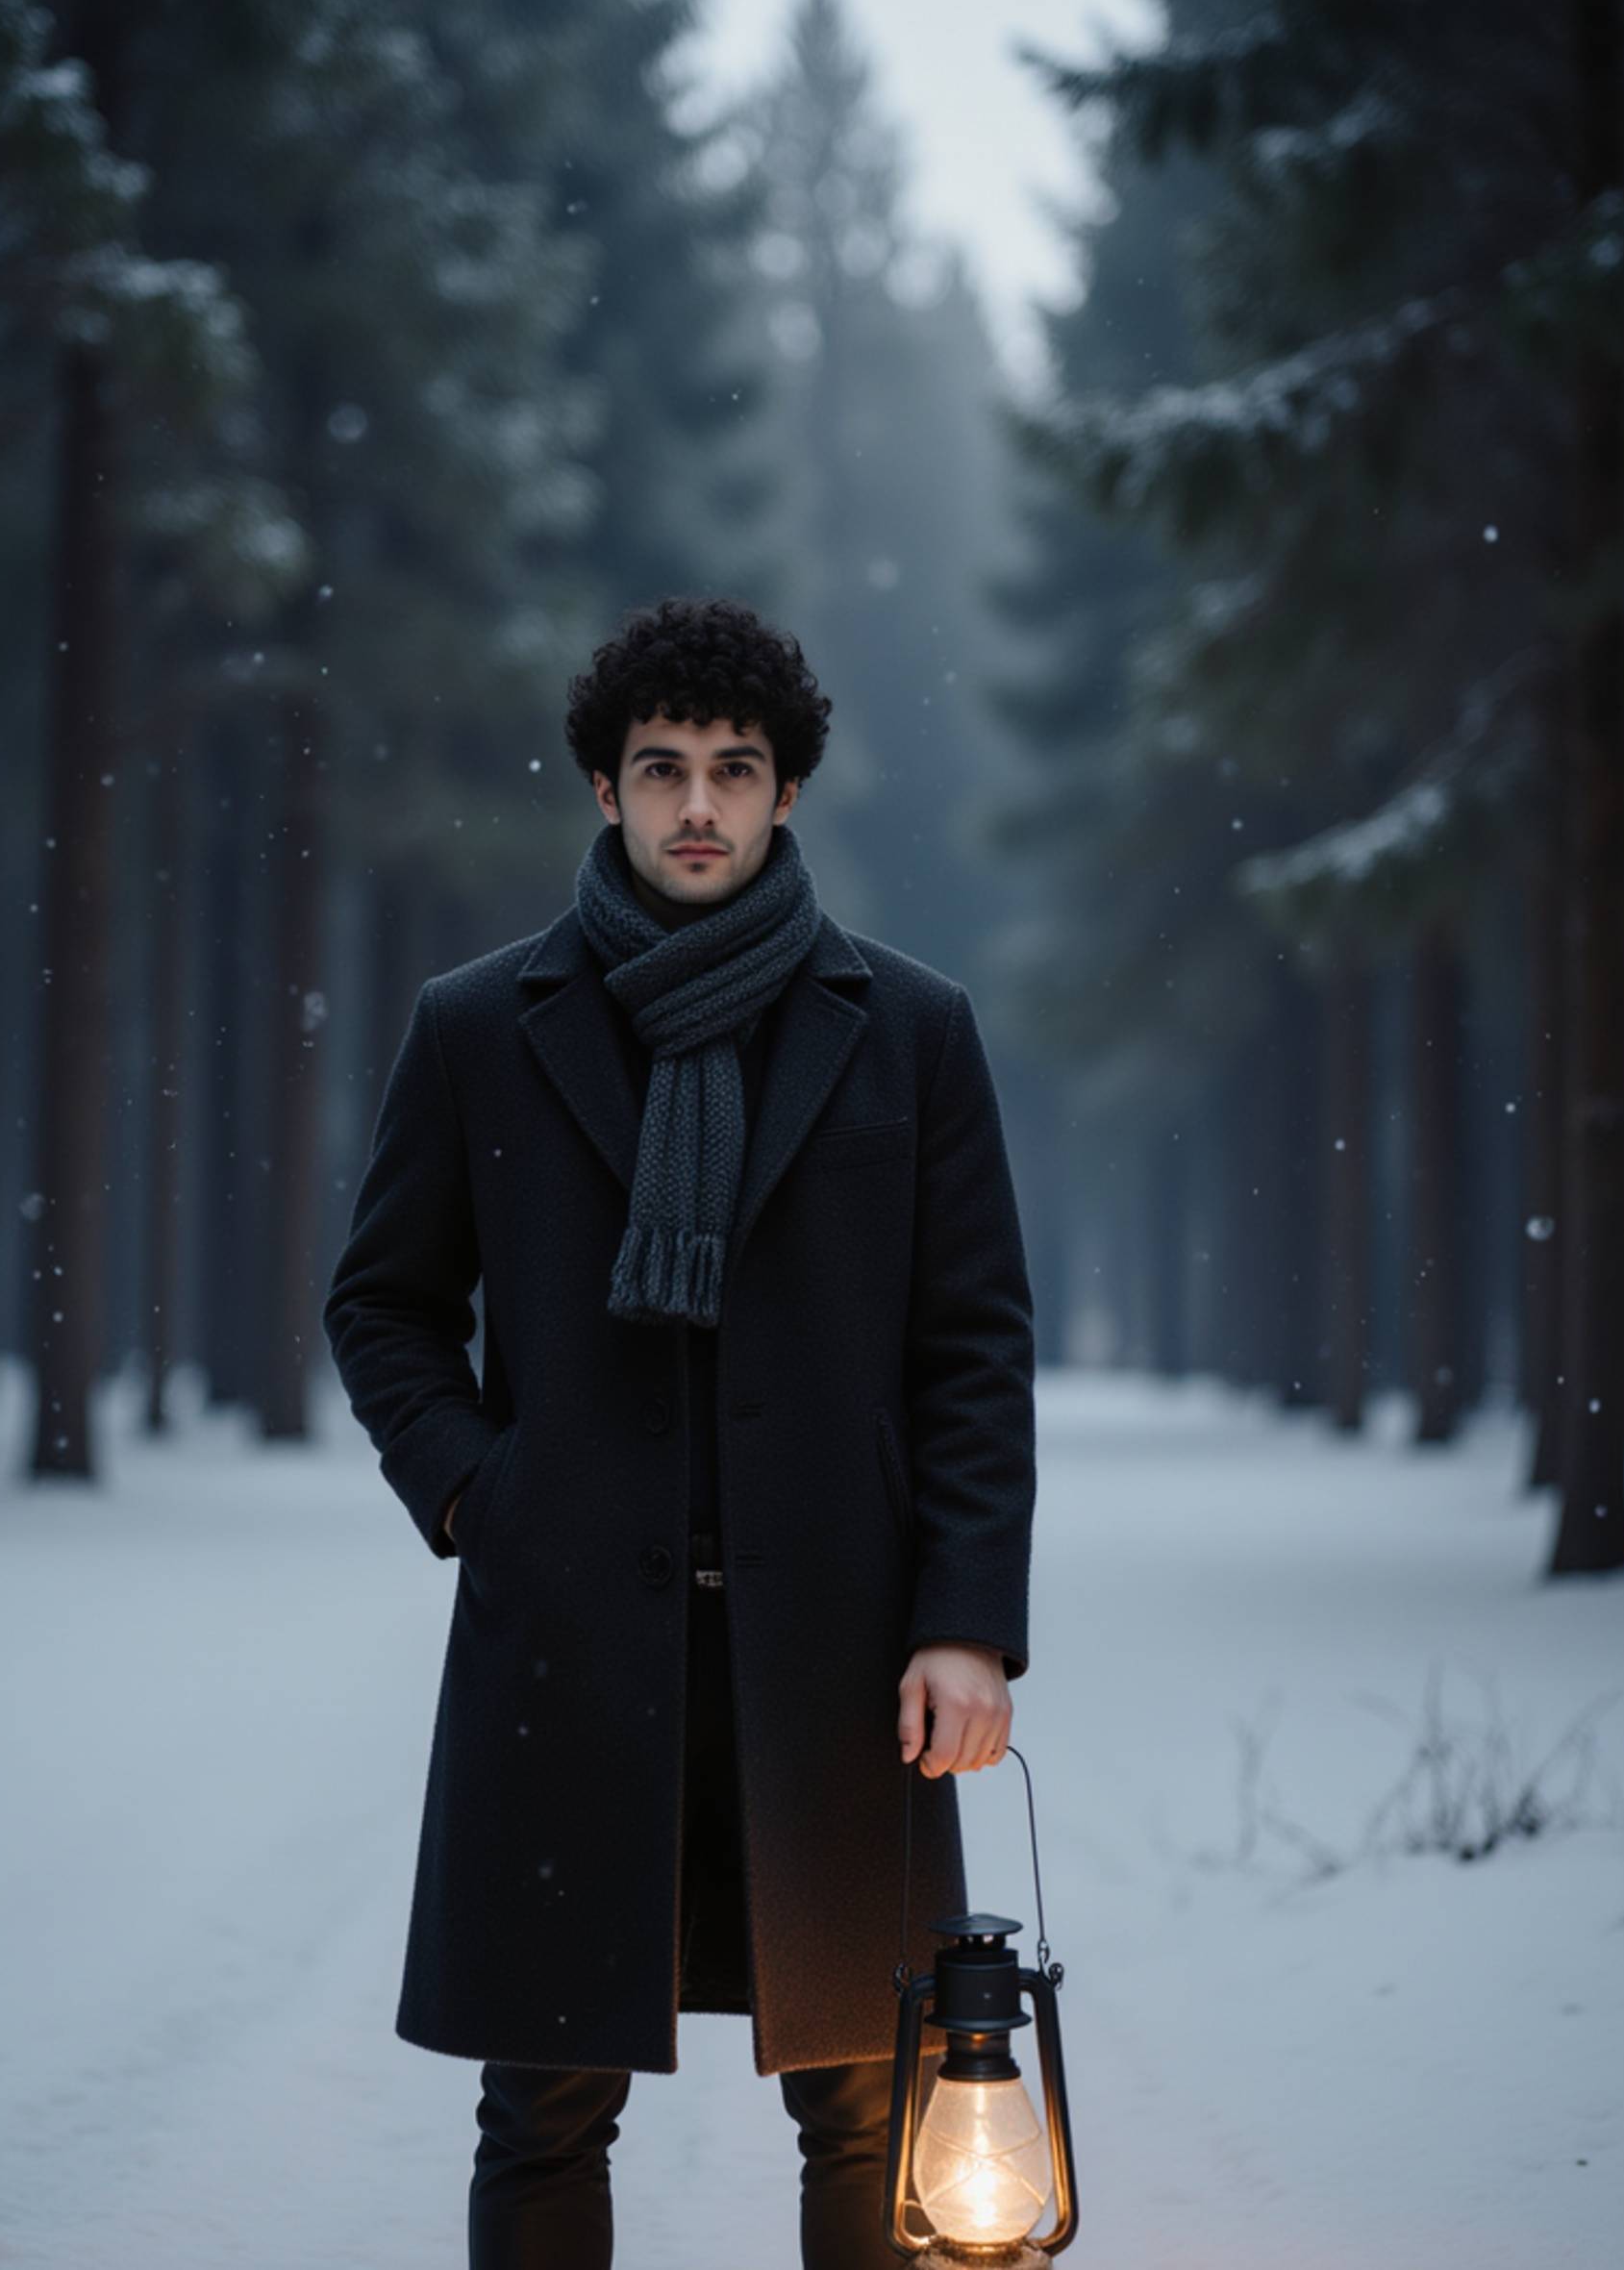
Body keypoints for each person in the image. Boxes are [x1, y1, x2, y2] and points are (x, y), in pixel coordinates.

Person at [324, 596, 1037, 2269]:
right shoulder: (482, 1028)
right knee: (546, 2104)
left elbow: (972, 1349)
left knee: (872, 2103)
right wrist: (481, 1496)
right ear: (603, 789)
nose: (698, 805)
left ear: (789, 792)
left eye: (735, 768)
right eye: (662, 771)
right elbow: (384, 1305)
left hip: (841, 1654)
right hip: (568, 1642)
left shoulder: (909, 1031)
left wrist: (963, 1621)